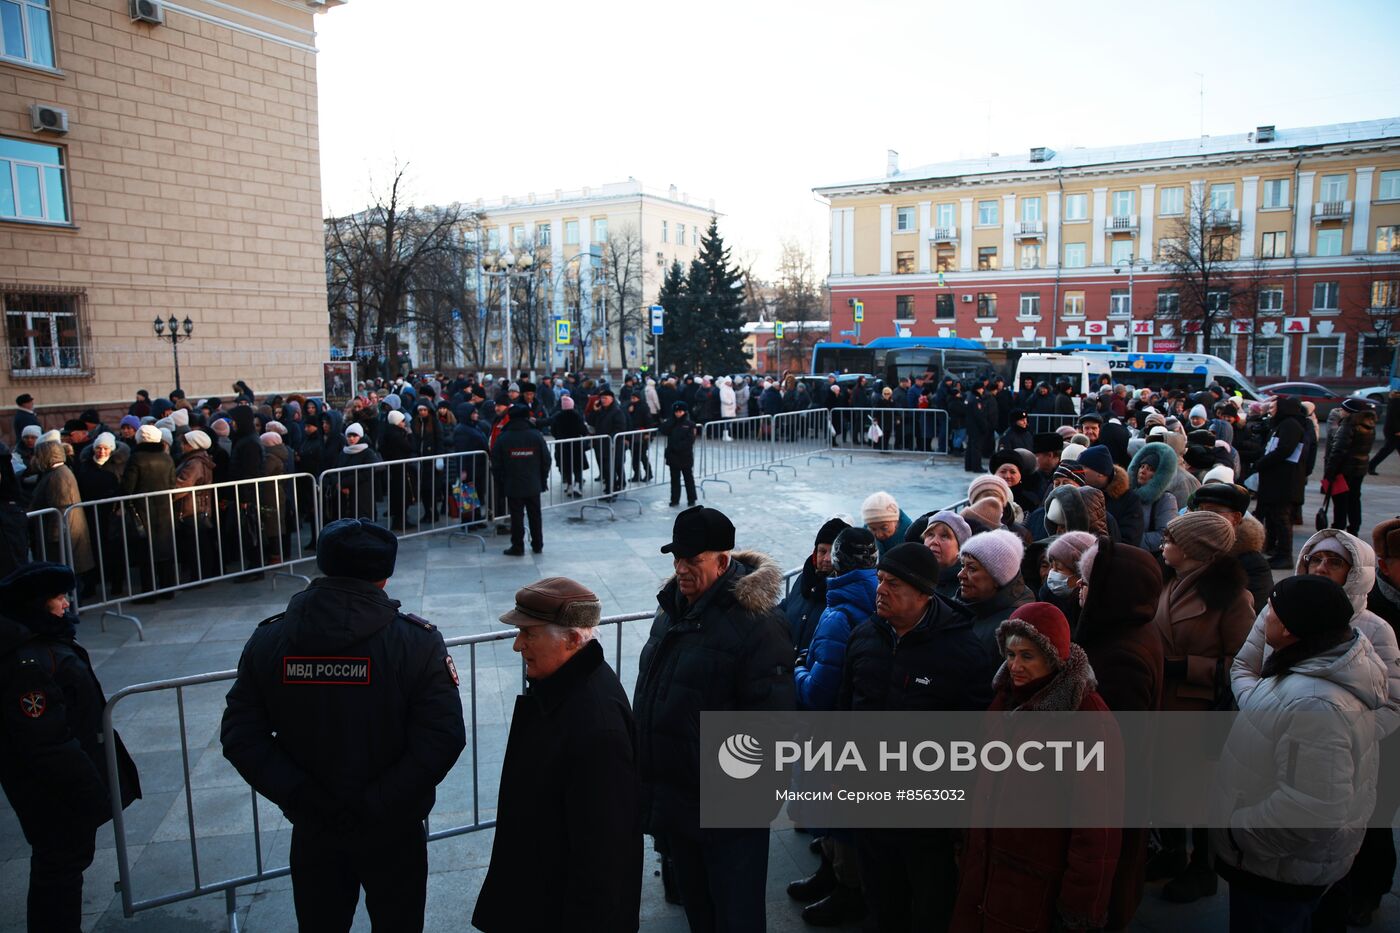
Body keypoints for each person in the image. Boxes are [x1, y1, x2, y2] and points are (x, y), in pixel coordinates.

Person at [220, 519, 466, 933]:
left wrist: (302, 794)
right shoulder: (417, 643)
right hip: (394, 827)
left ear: (323, 566)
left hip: (315, 825)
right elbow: (441, 739)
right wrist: (379, 802)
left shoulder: (270, 641)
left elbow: (242, 736)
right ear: (385, 576)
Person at [634, 506, 793, 933]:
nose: (681, 568)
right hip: (681, 801)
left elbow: (773, 727)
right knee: (700, 914)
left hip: (728, 813)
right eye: (676, 558)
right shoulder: (674, 610)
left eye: (693, 559)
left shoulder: (759, 625)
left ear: (722, 561)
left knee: (735, 917)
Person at [1211, 576, 1387, 933]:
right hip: (1281, 865)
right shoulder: (1311, 667)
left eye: (1271, 612)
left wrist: (1237, 831)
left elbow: (1309, 811)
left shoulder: (1315, 705)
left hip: (1277, 872)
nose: (1264, 618)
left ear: (1291, 630)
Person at [839, 542, 997, 931]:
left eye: (893, 583)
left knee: (930, 906)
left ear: (924, 593)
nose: (880, 590)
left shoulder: (962, 652)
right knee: (880, 902)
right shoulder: (864, 637)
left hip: (924, 817)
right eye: (879, 580)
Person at [473, 578, 642, 933]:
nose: (518, 645)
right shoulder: (565, 688)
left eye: (529, 634)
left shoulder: (597, 726)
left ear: (572, 637)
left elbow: (604, 863)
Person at [951, 602, 1121, 933]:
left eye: (1027, 656)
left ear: (1053, 656)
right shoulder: (1004, 699)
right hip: (986, 871)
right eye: (1010, 655)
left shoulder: (1087, 720)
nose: (1015, 666)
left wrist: (1079, 908)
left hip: (1035, 884)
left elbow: (1096, 828)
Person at [0, 561, 141, 932]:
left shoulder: (43, 644)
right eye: (59, 597)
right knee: (58, 868)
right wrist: (91, 792)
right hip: (54, 791)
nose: (66, 604)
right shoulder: (27, 660)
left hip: (61, 787)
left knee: (65, 864)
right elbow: (47, 741)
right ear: (36, 604)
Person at [1150, 509, 1255, 901]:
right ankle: (1172, 852)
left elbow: (1243, 663)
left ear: (1196, 549)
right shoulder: (1170, 580)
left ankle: (1203, 869)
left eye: (1171, 539)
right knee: (1164, 785)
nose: (1163, 544)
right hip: (1161, 704)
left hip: (1199, 713)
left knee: (1198, 793)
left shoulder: (1233, 598)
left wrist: (1185, 667)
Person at [789, 527, 879, 926]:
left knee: (836, 817)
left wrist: (798, 673)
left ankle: (846, 890)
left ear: (838, 563)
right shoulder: (874, 596)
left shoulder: (839, 612)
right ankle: (831, 877)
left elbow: (820, 690)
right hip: (854, 729)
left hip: (832, 730)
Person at [1075, 535, 1165, 928]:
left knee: (1106, 879)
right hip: (1118, 790)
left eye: (1088, 582)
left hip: (1107, 797)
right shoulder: (1131, 629)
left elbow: (1110, 744)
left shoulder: (1119, 654)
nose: (1080, 588)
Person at [1189, 482, 1274, 620]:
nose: (1203, 517)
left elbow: (1255, 614)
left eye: (1213, 512)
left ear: (1236, 518)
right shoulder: (1185, 548)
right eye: (1200, 510)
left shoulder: (1252, 562)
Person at [956, 528, 1034, 657]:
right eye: (962, 566)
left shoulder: (1012, 626)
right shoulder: (961, 605)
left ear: (998, 578)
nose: (960, 574)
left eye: (972, 568)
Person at [1252, 396, 1307, 568]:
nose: (1270, 410)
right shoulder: (1282, 424)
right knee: (1275, 517)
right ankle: (1277, 551)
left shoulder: (1290, 425)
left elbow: (1283, 450)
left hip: (1285, 481)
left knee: (1282, 518)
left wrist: (1262, 463)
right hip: (1276, 480)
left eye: (1274, 407)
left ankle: (1284, 555)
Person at [782, 517, 848, 655]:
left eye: (834, 552)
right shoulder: (803, 579)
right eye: (822, 551)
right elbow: (787, 606)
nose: (827, 559)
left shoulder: (845, 591)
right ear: (815, 553)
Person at [491, 403, 549, 556]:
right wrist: (542, 478)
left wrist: (501, 481)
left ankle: (518, 546)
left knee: (516, 516)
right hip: (533, 482)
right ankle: (538, 544)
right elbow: (546, 460)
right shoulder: (536, 435)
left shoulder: (504, 437)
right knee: (535, 515)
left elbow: (496, 463)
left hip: (512, 483)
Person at [1324, 397, 1377, 536]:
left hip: (1344, 469)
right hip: (1359, 468)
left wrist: (1330, 472)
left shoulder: (1348, 425)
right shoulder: (1369, 425)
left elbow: (1338, 450)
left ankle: (1338, 527)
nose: (1340, 411)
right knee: (1354, 498)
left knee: (1340, 500)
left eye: (1342, 409)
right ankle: (1354, 527)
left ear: (1349, 412)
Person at [1078, 444, 1143, 548]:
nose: (1078, 471)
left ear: (1100, 473)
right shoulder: (1078, 493)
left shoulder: (1129, 500)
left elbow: (1129, 540)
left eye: (1084, 467)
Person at [1127, 441, 1179, 554]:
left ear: (1160, 475)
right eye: (1142, 466)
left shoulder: (1166, 499)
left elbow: (1164, 535)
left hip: (1145, 557)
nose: (1143, 471)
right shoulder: (1126, 493)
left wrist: (1128, 540)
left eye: (1150, 469)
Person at [919, 509, 970, 598]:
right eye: (930, 534)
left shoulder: (964, 587)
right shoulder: (914, 572)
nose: (934, 541)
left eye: (944, 536)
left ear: (960, 547)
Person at [587, 387, 628, 496]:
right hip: (600, 444)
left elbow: (620, 428)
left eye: (605, 398)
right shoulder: (600, 410)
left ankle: (612, 491)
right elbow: (590, 421)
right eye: (601, 398)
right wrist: (594, 410)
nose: (603, 400)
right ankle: (609, 489)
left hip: (612, 445)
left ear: (612, 399)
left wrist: (610, 438)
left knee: (611, 468)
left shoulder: (617, 411)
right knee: (605, 468)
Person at [658, 401, 697, 507]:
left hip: (685, 455)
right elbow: (662, 430)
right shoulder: (671, 422)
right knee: (674, 479)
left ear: (684, 412)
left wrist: (677, 447)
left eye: (680, 411)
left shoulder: (690, 425)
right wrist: (671, 422)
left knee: (688, 478)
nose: (678, 414)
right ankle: (674, 499)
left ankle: (691, 498)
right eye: (676, 411)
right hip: (673, 456)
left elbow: (690, 440)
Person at [550, 394, 589, 497]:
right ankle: (577, 485)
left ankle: (569, 485)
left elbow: (553, 431)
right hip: (576, 445)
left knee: (566, 466)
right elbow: (584, 431)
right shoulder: (577, 416)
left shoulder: (557, 416)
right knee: (577, 466)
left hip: (562, 445)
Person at [861, 490, 912, 558]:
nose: (879, 535)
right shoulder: (864, 535)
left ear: (896, 521)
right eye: (873, 529)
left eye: (884, 528)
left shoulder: (912, 538)